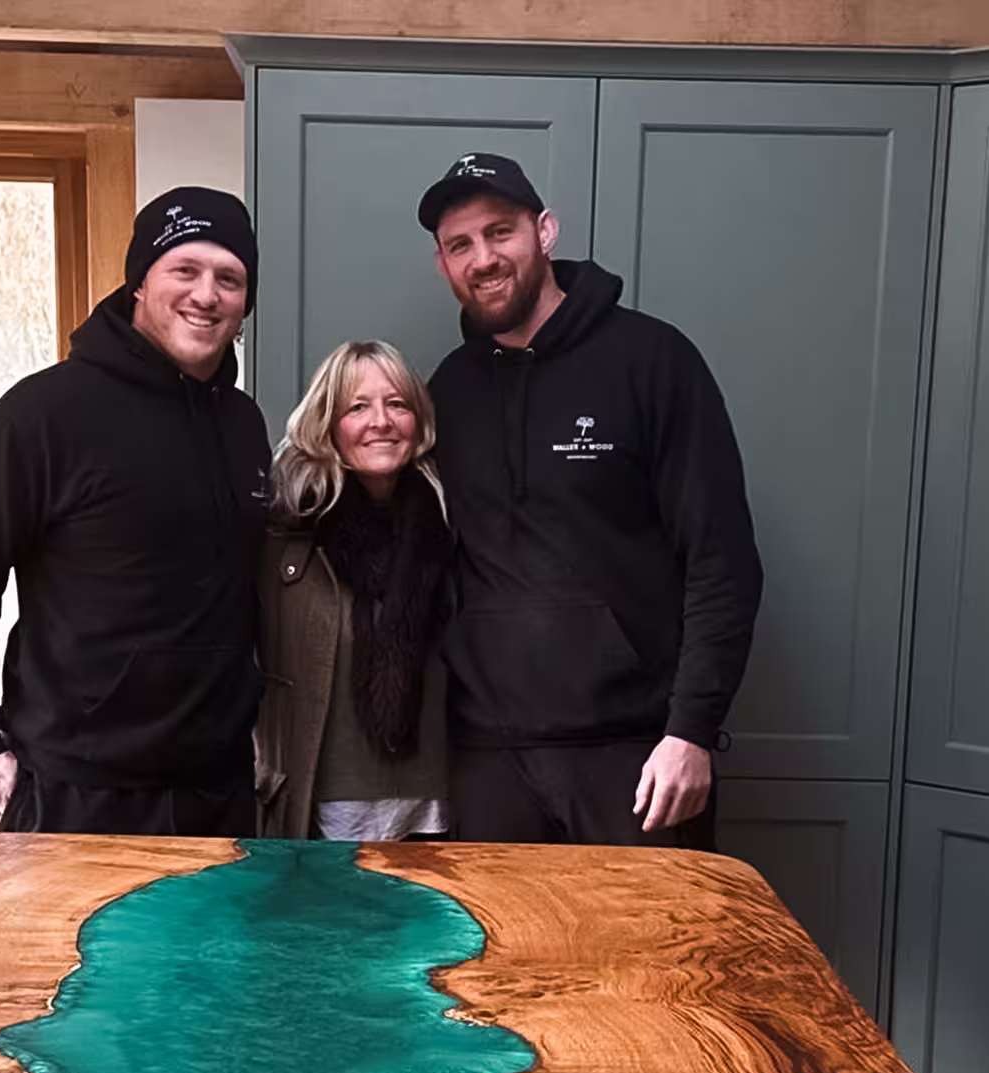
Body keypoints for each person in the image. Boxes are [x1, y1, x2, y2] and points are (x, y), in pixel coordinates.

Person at [416, 153, 763, 847]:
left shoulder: (653, 360)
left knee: (649, 958)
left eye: (500, 232)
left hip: (637, 759)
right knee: (501, 959)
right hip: (486, 760)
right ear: (443, 266)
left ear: (544, 231)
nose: (483, 258)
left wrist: (690, 730)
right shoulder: (448, 389)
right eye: (460, 245)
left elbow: (721, 561)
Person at [0, 186, 271, 835]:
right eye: (184, 270)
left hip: (216, 787)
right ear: (140, 283)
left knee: (215, 943)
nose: (207, 294)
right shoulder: (43, 415)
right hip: (76, 788)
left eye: (230, 278)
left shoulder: (242, 423)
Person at [255, 341, 453, 841]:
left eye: (397, 404)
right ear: (327, 424)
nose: (380, 421)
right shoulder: (286, 530)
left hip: (439, 802)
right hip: (323, 806)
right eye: (358, 406)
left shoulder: (452, 522)